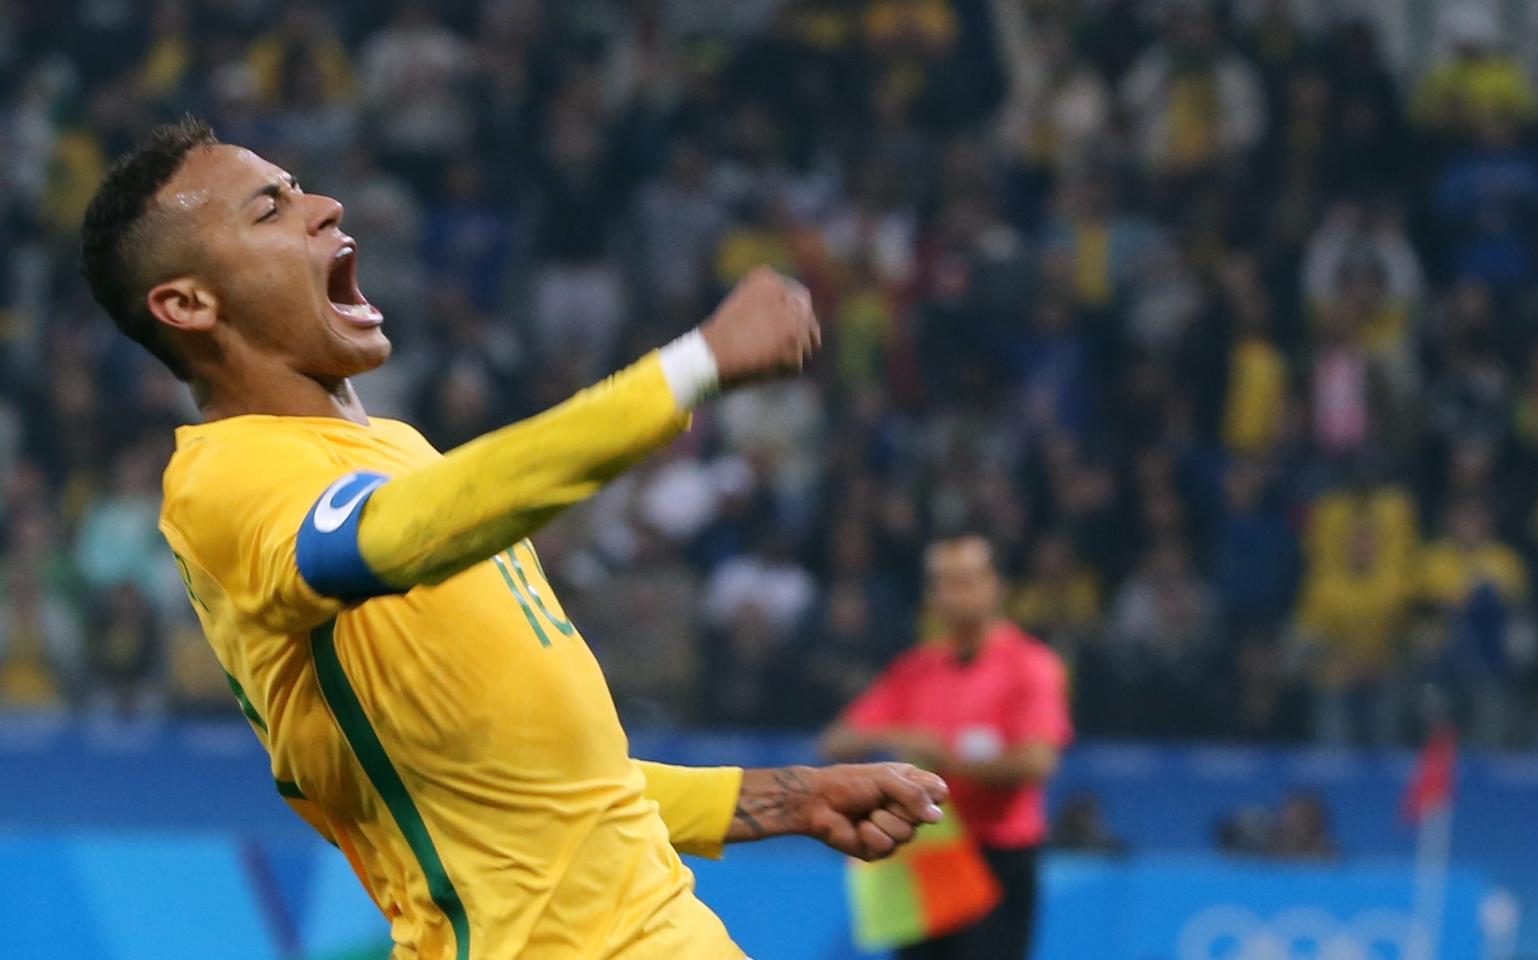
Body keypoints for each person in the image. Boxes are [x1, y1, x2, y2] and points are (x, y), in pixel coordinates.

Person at [77, 118, 948, 960]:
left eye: (299, 187)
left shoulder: (400, 454)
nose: (327, 207)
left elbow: (539, 784)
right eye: (269, 209)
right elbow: (385, 537)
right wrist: (691, 367)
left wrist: (787, 799)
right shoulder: (225, 479)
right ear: (188, 304)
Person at [821, 534, 1072, 960]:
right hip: (925, 856)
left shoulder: (1030, 665)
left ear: (995, 585)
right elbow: (836, 740)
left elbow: (1037, 761)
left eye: (966, 581)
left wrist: (945, 762)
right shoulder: (916, 669)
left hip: (995, 858)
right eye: (942, 583)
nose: (953, 596)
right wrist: (896, 739)